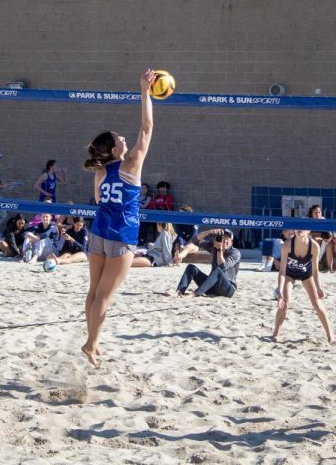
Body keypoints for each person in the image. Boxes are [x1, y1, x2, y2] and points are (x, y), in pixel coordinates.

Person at [81, 69, 157, 367]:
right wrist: (145, 91)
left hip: (98, 232)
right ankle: (91, 343)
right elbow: (147, 126)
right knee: (104, 296)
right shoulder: (133, 163)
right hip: (121, 236)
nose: (125, 138)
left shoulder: (101, 171)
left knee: (94, 292)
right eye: (119, 138)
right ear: (115, 149)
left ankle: (92, 341)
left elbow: (99, 200)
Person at [271, 229, 333, 344]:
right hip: (290, 274)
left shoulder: (314, 246)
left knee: (317, 304)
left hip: (306, 274)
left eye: (303, 228)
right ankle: (276, 333)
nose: (300, 230)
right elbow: (282, 271)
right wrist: (280, 291)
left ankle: (330, 336)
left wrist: (319, 287)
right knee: (285, 303)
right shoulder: (288, 244)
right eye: (297, 227)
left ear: (308, 230)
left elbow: (315, 270)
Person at [169, 229, 240, 298]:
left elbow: (222, 267)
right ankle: (179, 291)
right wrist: (210, 232)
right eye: (223, 238)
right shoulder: (213, 246)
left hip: (227, 289)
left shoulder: (235, 253)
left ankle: (195, 294)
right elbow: (195, 240)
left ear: (231, 242)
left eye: (228, 239)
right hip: (212, 286)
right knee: (191, 268)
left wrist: (219, 249)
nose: (225, 241)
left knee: (218, 270)